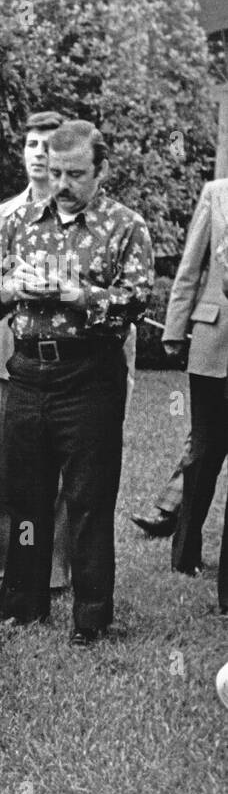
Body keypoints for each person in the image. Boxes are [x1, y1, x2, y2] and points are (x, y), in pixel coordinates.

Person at [0, 120, 153, 644]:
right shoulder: (18, 221)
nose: (62, 183)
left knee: (89, 498)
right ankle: (24, 602)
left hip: (90, 374)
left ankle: (92, 614)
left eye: (75, 174)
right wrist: (14, 288)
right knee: (25, 495)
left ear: (100, 170)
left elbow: (138, 299)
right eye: (55, 172)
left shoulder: (125, 226)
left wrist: (79, 295)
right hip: (30, 368)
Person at [0, 111, 71, 589]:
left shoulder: (81, 214)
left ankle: (56, 567)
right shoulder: (7, 214)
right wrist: (12, 286)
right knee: (12, 464)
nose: (38, 153)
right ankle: (9, 561)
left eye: (47, 145)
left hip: (70, 352)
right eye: (31, 144)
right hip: (12, 347)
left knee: (63, 467)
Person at [164, 178, 228, 600]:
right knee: (204, 451)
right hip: (213, 342)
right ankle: (185, 550)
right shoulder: (216, 193)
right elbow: (190, 268)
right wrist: (174, 328)